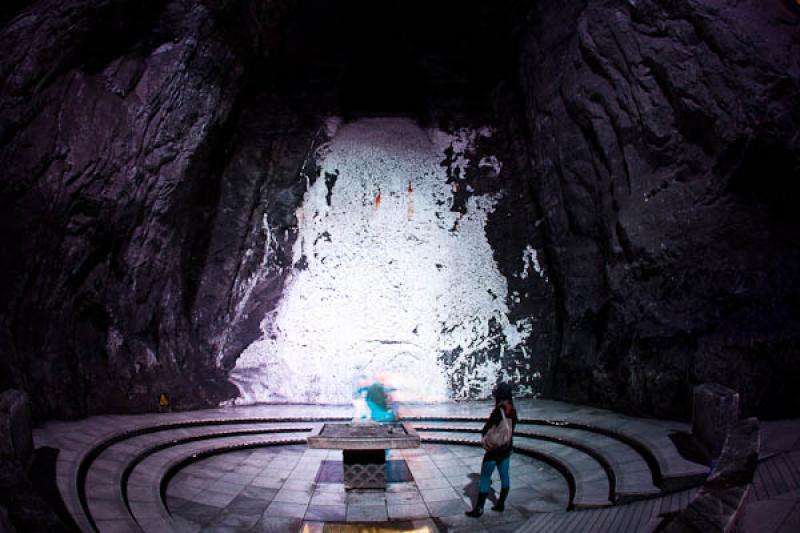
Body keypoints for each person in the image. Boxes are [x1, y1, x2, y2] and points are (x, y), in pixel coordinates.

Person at [466, 382, 518, 517]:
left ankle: (479, 509)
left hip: (494, 452)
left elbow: (486, 429)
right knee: (504, 476)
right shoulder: (513, 411)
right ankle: (500, 504)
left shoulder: (498, 411)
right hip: (506, 450)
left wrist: (485, 437)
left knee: (484, 478)